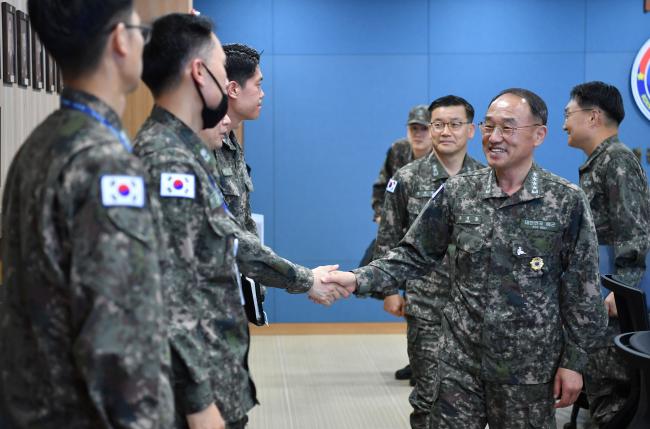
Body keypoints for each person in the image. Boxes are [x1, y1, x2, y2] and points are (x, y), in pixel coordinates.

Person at [324, 88, 608, 429]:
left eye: (507, 127)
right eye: (489, 127)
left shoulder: (565, 202)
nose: (494, 137)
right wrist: (359, 279)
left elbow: (583, 291)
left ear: (539, 134)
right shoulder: (459, 193)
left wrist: (575, 362)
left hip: (528, 369)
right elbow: (412, 254)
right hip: (460, 361)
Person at [134, 14, 348, 429]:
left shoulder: (189, 148)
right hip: (193, 374)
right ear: (200, 74)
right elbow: (174, 291)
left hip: (214, 354)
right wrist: (199, 403)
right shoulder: (168, 162)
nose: (233, 85)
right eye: (220, 70)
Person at [0, 1, 173, 428]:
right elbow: (118, 346)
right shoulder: (105, 164)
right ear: (119, 39)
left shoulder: (37, 147)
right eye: (140, 31)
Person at [375, 95, 484, 429]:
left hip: (476, 310)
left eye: (454, 124)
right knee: (427, 397)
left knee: (473, 398)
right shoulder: (406, 179)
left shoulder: (486, 178)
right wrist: (390, 290)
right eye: (438, 124)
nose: (445, 131)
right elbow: (389, 239)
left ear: (471, 131)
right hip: (426, 306)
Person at [563, 81, 650, 426]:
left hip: (612, 300)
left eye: (568, 114)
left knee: (612, 393)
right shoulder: (600, 161)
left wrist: (622, 287)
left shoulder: (616, 160)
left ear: (594, 116)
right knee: (599, 388)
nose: (564, 123)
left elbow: (635, 228)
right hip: (599, 295)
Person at [367, 104, 433, 381]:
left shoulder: (444, 155)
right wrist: (381, 214)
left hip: (430, 239)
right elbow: (382, 185)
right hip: (398, 234)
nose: (418, 133)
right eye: (413, 128)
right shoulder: (398, 151)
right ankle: (416, 358)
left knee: (425, 300)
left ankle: (428, 362)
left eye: (423, 128)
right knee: (402, 299)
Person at [213, 43, 262, 235]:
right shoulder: (208, 144)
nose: (262, 94)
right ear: (233, 89)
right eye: (258, 85)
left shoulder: (232, 143)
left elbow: (245, 228)